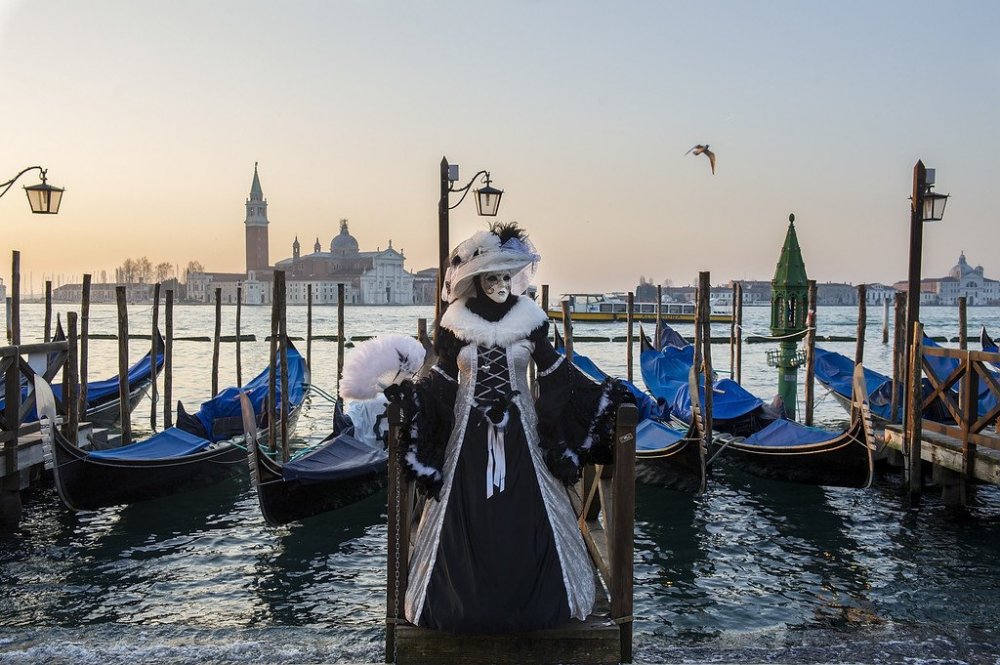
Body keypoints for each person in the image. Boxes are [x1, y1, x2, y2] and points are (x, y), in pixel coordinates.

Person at [386, 222, 632, 635]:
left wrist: (606, 395)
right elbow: (444, 380)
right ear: (475, 282)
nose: (501, 284)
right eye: (492, 277)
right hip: (468, 437)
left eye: (506, 276)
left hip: (522, 435)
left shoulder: (530, 321)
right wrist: (408, 394)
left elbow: (555, 374)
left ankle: (536, 597)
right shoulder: (455, 324)